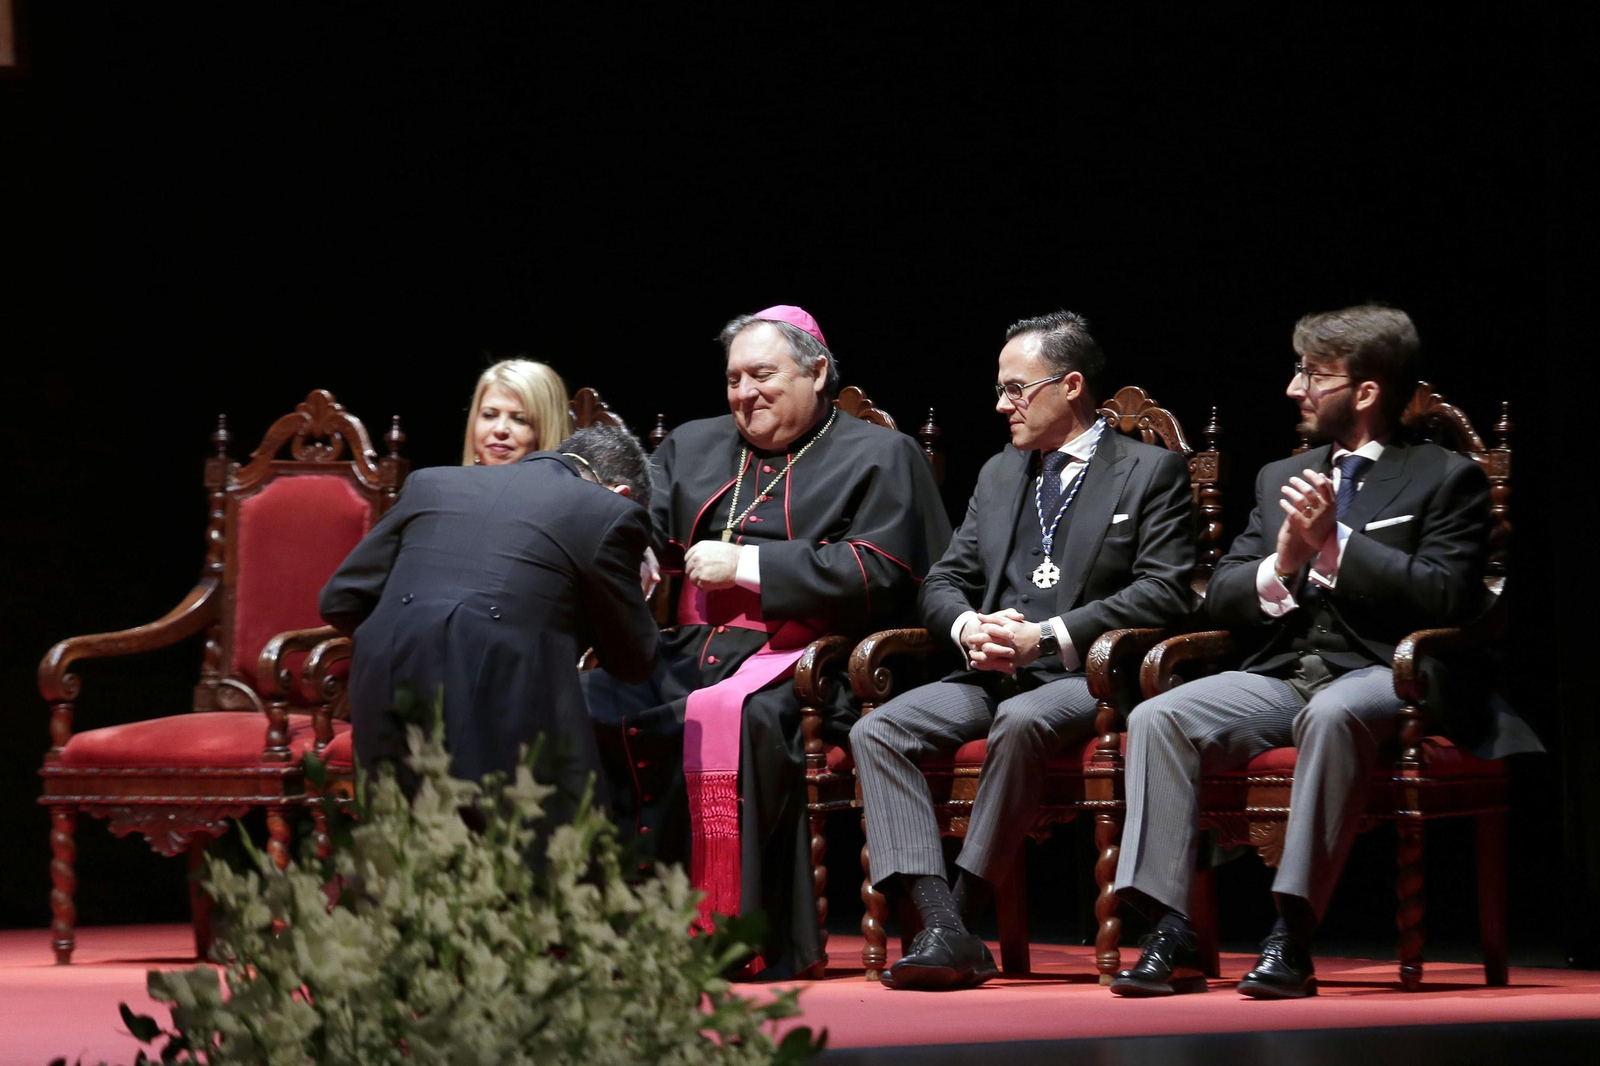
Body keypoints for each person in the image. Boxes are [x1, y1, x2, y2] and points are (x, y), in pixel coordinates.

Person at [1110, 304, 1540, 999]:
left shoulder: (1443, 477)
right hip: (1281, 676)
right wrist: (1282, 561)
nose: (1293, 388)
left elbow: (1449, 599)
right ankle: (1171, 932)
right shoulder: (1281, 474)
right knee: (1158, 716)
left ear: (1366, 392)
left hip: (1388, 676)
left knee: (1334, 713)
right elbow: (1219, 594)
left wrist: (1338, 549)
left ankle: (1291, 936)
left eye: (1312, 374)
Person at [582, 305, 952, 979]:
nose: (744, 394)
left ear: (817, 373)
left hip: (807, 664)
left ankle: (730, 933)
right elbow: (640, 526)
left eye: (762, 375)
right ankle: (609, 925)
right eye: (732, 379)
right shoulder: (693, 444)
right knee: (586, 697)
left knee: (745, 717)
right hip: (690, 648)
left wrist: (748, 567)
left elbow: (887, 572)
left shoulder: (882, 455)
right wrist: (631, 553)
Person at [850, 310, 1197, 990]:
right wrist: (967, 627)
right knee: (878, 729)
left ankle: (962, 912)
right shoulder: (1001, 474)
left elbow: (1166, 593)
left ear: (1070, 386)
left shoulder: (1149, 472)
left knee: (1024, 719)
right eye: (1001, 389)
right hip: (990, 675)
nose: (1001, 404)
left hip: (1086, 679)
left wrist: (1050, 635)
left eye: (1016, 389)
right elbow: (946, 578)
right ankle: (939, 920)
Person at [319, 425, 659, 803]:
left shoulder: (431, 482)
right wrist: (634, 585)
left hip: (383, 674)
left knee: (400, 846)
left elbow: (340, 599)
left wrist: (411, 635)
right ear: (622, 494)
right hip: (500, 686)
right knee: (555, 839)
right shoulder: (609, 511)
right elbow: (634, 660)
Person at [462, 358, 573, 466]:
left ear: (548, 429)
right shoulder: (450, 483)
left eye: (520, 419)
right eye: (489, 415)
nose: (500, 429)